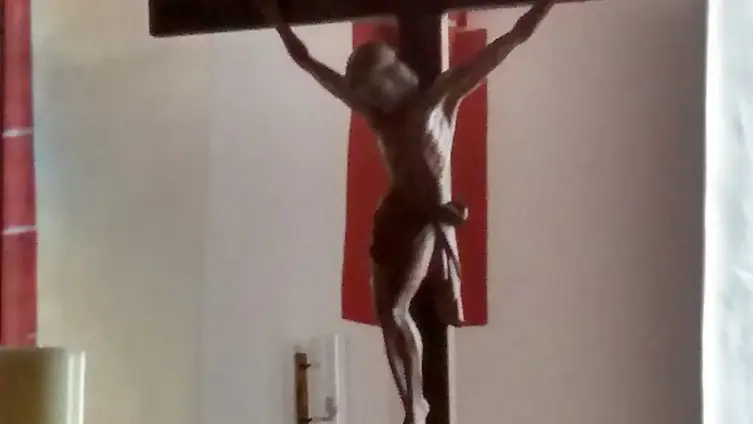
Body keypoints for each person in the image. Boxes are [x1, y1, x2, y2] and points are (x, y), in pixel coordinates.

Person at [255, 1, 556, 422]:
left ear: (393, 74)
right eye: (370, 94)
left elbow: (511, 40)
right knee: (386, 315)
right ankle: (412, 400)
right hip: (395, 212)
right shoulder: (379, 117)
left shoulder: (441, 97)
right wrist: (275, 19)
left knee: (397, 311)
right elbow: (308, 63)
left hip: (423, 217)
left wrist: (544, 6)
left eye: (378, 87)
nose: (375, 98)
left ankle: (416, 405)